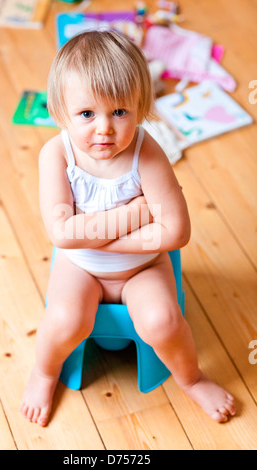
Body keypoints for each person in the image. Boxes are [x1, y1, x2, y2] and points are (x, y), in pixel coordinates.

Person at [20, 30, 236, 427]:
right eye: (87, 114)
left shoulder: (146, 150)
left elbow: (176, 234)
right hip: (80, 267)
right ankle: (44, 372)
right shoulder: (56, 154)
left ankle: (192, 379)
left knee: (163, 322)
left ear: (140, 107)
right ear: (60, 111)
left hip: (143, 267)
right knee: (64, 320)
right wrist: (137, 213)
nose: (104, 128)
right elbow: (63, 235)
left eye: (119, 112)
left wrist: (100, 237)